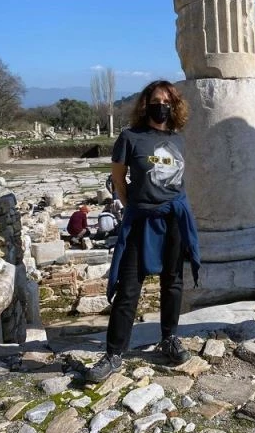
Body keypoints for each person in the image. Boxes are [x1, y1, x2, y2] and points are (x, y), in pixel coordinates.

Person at [86, 80, 201, 383]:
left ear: (174, 106)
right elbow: (118, 179)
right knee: (129, 286)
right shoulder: (130, 137)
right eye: (156, 101)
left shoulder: (178, 140)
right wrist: (136, 206)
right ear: (146, 104)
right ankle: (114, 353)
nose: (161, 106)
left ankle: (169, 338)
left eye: (167, 101)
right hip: (141, 219)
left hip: (174, 218)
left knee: (173, 281)